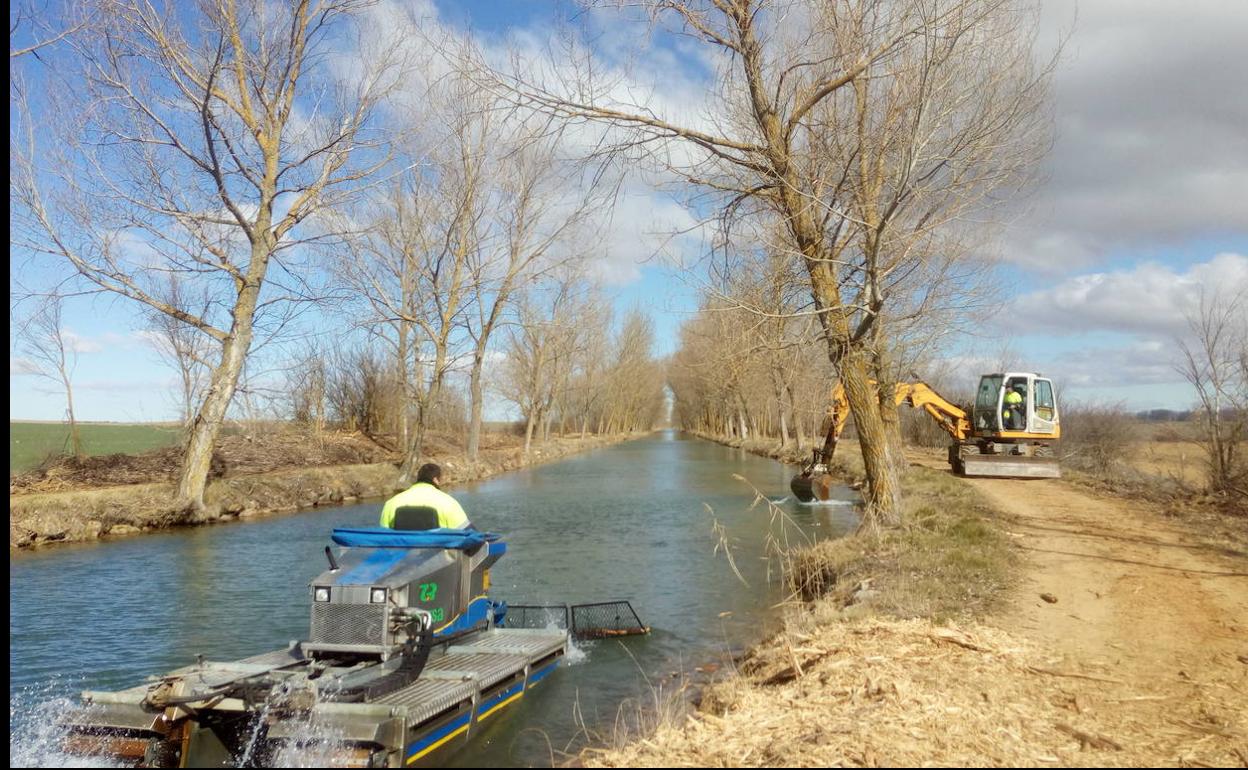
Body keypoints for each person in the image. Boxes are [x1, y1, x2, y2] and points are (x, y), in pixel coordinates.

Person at [380, 463, 471, 530]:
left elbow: (384, 537)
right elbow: (467, 532)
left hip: (402, 555)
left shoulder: (391, 503)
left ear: (418, 478)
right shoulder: (448, 503)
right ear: (435, 480)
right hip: (437, 554)